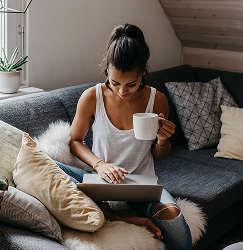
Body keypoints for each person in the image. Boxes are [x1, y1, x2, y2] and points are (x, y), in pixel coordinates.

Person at [54, 23, 192, 249]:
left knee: (176, 224)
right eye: (115, 82)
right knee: (51, 165)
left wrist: (163, 140)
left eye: (131, 84)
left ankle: (122, 213)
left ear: (144, 72)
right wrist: (100, 165)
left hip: (141, 185)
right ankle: (118, 215)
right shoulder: (92, 97)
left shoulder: (157, 101)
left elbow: (161, 155)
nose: (122, 91)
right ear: (107, 69)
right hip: (100, 183)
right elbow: (74, 141)